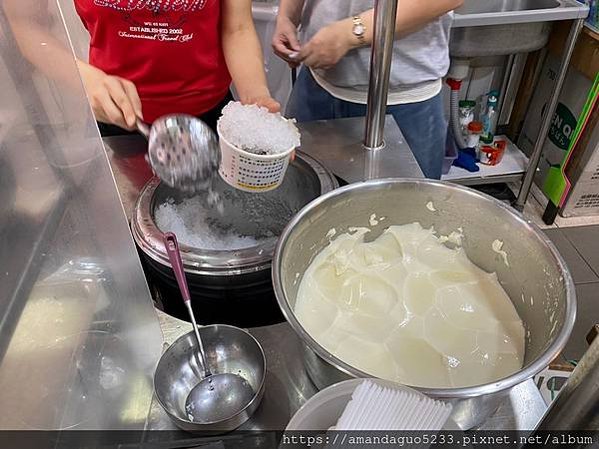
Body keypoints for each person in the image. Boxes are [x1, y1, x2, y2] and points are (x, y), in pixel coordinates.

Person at [4, 0, 279, 135]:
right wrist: (86, 80)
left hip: (210, 115)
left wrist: (255, 98)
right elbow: (26, 24)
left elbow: (238, 28)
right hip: (117, 115)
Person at [272, 0, 463, 179]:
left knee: (405, 208)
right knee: (300, 198)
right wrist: (287, 16)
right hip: (315, 85)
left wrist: (352, 31)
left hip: (404, 101)